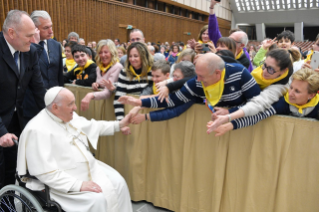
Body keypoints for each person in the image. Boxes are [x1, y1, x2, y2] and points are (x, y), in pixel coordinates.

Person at [16, 87, 133, 212]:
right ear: (55, 107)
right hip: (61, 182)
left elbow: (92, 126)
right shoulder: (36, 130)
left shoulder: (67, 115)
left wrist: (119, 125)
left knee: (119, 183)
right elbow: (45, 172)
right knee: (96, 200)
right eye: (70, 104)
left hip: (87, 167)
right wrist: (78, 185)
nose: (75, 107)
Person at [119, 53, 261, 119]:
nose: (197, 80)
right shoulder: (196, 82)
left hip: (242, 126)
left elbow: (257, 104)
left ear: (217, 73)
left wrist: (231, 112)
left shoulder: (240, 73)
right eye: (196, 74)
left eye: (202, 76)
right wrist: (140, 101)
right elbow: (173, 100)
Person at [0, 10, 46, 190]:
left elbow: (39, 89)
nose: (34, 39)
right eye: (29, 35)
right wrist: (1, 131)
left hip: (15, 120)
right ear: (12, 33)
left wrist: (57, 112)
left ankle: (7, 205)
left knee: (12, 167)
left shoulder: (31, 51)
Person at [206, 48, 301, 132]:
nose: (264, 71)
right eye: (264, 65)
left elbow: (258, 104)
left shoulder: (282, 87)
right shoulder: (259, 71)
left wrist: (229, 114)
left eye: (271, 69)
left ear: (283, 71)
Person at [209, 68, 319, 136]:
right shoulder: (282, 102)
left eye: (297, 91)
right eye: (291, 87)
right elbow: (257, 116)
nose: (290, 93)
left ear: (311, 95)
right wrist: (229, 125)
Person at [23, 10, 64, 125]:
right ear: (34, 28)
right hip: (32, 105)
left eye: (51, 26)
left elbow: (59, 75)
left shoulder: (55, 45)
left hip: (54, 103)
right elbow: (25, 70)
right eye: (46, 28)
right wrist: (34, 45)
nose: (51, 31)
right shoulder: (26, 47)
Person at [113, 42, 153, 121]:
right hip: (130, 115)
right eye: (130, 56)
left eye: (136, 56)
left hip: (148, 116)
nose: (132, 59)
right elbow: (119, 98)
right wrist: (121, 120)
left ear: (143, 56)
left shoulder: (153, 71)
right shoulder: (124, 72)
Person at [208, 0, 253, 71]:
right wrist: (212, 7)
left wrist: (217, 55)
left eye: (232, 40)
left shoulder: (245, 59)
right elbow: (214, 31)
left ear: (241, 45)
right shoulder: (223, 46)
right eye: (229, 38)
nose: (228, 41)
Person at [80, 39, 123, 111]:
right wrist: (96, 84)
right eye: (100, 52)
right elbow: (101, 83)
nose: (103, 55)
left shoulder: (117, 67)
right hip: (100, 106)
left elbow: (108, 93)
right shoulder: (98, 68)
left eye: (106, 52)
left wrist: (90, 95)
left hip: (112, 107)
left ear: (112, 53)